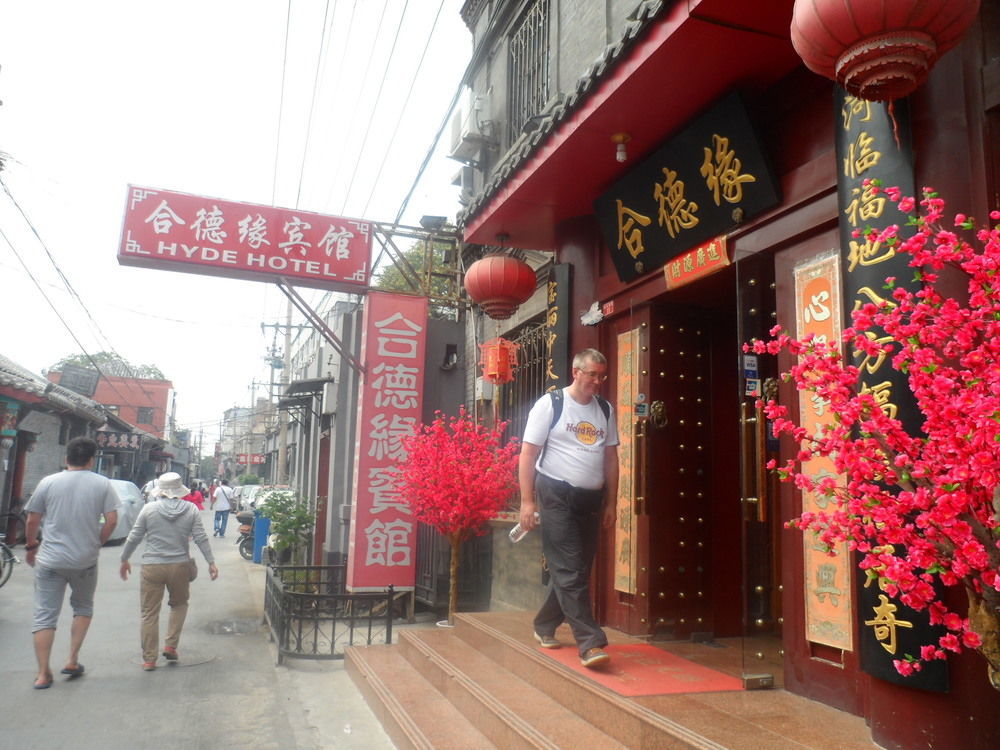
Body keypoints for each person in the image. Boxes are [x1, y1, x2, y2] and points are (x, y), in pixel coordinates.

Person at [518, 348, 619, 668]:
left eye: (602, 375)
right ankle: (590, 643)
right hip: (555, 494)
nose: (597, 381)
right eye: (592, 374)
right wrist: (527, 501)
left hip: (590, 501)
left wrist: (611, 501)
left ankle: (544, 623)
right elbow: (528, 454)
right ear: (576, 372)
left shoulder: (604, 409)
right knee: (569, 568)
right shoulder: (551, 404)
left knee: (577, 569)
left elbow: (611, 458)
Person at [23, 436, 120, 689]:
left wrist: (31, 545)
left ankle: (43, 674)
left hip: (50, 560)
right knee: (83, 607)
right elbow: (111, 520)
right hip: (84, 560)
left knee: (45, 615)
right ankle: (72, 659)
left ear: (66, 458)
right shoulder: (103, 484)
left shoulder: (48, 482)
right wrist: (97, 542)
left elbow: (32, 520)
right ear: (91, 459)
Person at [119, 472, 218, 671]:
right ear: (180, 490)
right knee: (179, 604)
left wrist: (124, 558)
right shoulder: (191, 509)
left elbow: (134, 536)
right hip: (180, 565)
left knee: (149, 612)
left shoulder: (149, 509)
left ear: (160, 490)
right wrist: (211, 562)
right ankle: (170, 646)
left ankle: (149, 659)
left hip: (152, 566)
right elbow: (200, 537)